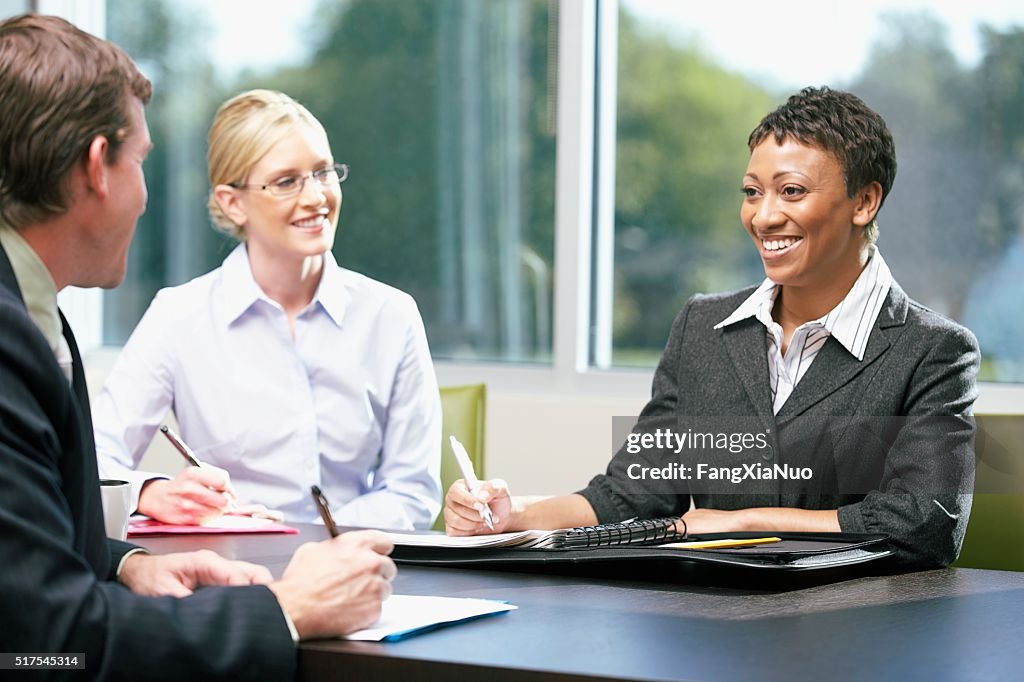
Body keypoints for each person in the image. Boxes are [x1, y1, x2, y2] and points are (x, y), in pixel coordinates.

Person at [0, 14, 396, 679]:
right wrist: (285, 609)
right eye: (143, 162)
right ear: (99, 167)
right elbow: (49, 649)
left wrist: (124, 563)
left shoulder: (37, 318)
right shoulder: (13, 338)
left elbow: (22, 553)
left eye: (324, 173)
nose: (148, 196)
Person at [445, 87, 979, 568]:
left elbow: (923, 525)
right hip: (715, 626)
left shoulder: (932, 350)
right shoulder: (704, 327)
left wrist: (745, 522)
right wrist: (513, 516)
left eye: (791, 191)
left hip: (856, 637)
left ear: (864, 201)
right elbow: (633, 495)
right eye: (752, 191)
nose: (764, 217)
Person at [92, 89, 441, 529]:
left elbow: (413, 492)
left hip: (356, 563)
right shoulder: (179, 316)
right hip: (228, 570)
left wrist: (306, 537)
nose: (316, 197)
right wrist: (152, 491)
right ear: (232, 202)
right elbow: (94, 456)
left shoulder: (391, 316)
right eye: (286, 181)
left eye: (323, 172)